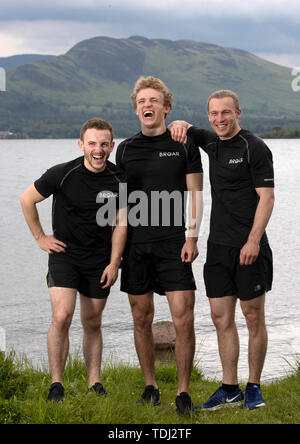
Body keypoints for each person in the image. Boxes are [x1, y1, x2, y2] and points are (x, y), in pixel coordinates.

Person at [169, 90, 275, 410]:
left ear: (238, 113)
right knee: (220, 317)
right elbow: (186, 127)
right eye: (213, 113)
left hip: (250, 247)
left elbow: (267, 198)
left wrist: (254, 240)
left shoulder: (254, 147)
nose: (219, 119)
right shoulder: (211, 141)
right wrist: (179, 123)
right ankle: (230, 387)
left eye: (226, 113)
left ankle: (253, 387)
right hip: (218, 248)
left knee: (253, 317)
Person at [20, 118, 127, 401]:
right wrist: (41, 237)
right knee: (61, 315)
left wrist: (115, 262)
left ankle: (95, 382)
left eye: (104, 144)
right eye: (92, 143)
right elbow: (26, 200)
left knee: (92, 321)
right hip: (64, 257)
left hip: (100, 260)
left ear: (111, 146)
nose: (98, 149)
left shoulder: (120, 179)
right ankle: (57, 383)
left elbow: (121, 224)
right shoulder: (62, 173)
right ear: (81, 145)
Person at [116, 76, 203, 415]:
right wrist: (116, 250)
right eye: (141, 101)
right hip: (136, 246)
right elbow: (119, 206)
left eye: (154, 101)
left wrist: (192, 237)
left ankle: (183, 392)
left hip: (174, 243)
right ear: (136, 108)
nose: (147, 105)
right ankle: (150, 386)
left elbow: (196, 194)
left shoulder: (183, 143)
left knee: (184, 319)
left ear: (166, 107)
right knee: (141, 318)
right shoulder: (124, 149)